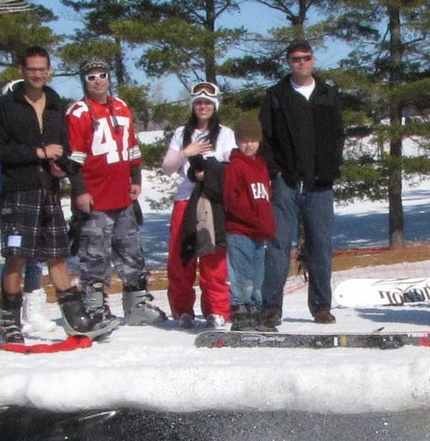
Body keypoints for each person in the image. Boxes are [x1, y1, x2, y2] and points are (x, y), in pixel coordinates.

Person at [0, 46, 102, 344]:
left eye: (42, 69)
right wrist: (37, 152)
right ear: (21, 70)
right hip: (18, 191)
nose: (37, 74)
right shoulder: (4, 107)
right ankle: (9, 319)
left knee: (57, 256)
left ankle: (74, 318)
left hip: (49, 190)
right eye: (32, 69)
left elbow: (62, 146)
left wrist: (62, 168)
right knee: (17, 257)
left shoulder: (54, 103)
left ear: (49, 70)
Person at [260, 38, 345, 325]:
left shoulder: (327, 94)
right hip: (285, 182)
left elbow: (337, 135)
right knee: (278, 246)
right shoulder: (276, 95)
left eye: (306, 58)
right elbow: (265, 139)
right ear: (288, 62)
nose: (301, 63)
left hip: (319, 184)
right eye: (296, 59)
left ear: (313, 60)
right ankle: (271, 306)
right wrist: (276, 172)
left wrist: (331, 167)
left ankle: (321, 305)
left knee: (320, 246)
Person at [67, 57, 155, 327]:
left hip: (122, 195)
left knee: (131, 250)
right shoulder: (78, 113)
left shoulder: (121, 107)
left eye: (101, 75)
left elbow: (132, 147)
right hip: (96, 197)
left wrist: (136, 178)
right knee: (95, 255)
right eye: (91, 76)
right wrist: (81, 191)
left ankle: (137, 303)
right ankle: (95, 307)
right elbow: (74, 159)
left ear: (109, 77)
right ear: (84, 81)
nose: (97, 81)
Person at [163, 82, 236, 329]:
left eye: (207, 103)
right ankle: (183, 309)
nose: (203, 107)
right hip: (186, 199)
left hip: (212, 202)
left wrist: (211, 172)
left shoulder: (224, 133)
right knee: (180, 257)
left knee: (213, 258)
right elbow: (167, 167)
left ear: (215, 106)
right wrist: (187, 152)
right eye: (198, 103)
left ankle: (217, 309)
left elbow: (232, 167)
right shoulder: (181, 133)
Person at [222, 113, 277, 330]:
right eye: (244, 141)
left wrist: (266, 224)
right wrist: (253, 221)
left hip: (258, 233)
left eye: (253, 140)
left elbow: (265, 198)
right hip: (240, 231)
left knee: (257, 277)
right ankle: (240, 311)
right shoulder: (236, 166)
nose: (249, 145)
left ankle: (255, 310)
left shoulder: (261, 166)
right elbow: (232, 201)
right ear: (237, 141)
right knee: (241, 275)